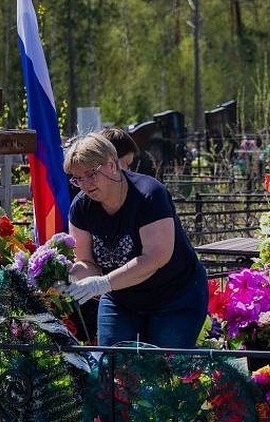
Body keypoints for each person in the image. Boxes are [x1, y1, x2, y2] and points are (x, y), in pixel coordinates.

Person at [63, 132, 208, 349]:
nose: (85, 184)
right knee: (111, 367)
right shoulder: (81, 208)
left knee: (164, 371)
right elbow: (87, 263)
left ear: (112, 165)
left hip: (175, 297)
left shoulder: (149, 195)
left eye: (91, 174)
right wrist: (67, 278)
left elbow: (155, 257)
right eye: (77, 178)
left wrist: (103, 283)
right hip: (121, 300)